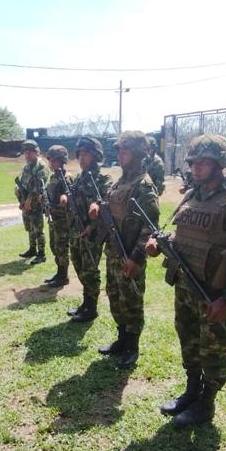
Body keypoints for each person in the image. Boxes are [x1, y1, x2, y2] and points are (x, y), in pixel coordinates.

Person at [146, 134, 226, 426]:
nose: (196, 168)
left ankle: (206, 404)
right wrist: (160, 243)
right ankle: (191, 391)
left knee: (213, 351)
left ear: (220, 164)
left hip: (213, 294)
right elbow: (181, 235)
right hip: (185, 286)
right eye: (193, 162)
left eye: (204, 162)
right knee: (188, 341)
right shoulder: (191, 196)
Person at [95, 131, 159, 369]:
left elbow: (149, 226)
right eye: (119, 151)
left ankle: (132, 346)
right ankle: (121, 339)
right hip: (113, 252)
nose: (121, 155)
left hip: (130, 254)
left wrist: (136, 257)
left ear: (138, 154)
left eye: (126, 151)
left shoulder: (144, 184)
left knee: (131, 300)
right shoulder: (119, 182)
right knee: (114, 296)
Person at [65, 137, 112, 323]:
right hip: (75, 231)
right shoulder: (79, 178)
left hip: (92, 233)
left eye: (87, 154)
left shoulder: (103, 179)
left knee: (90, 269)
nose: (82, 158)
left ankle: (91, 307)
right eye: (80, 154)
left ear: (96, 156)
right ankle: (85, 302)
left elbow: (107, 204)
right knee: (79, 266)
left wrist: (92, 224)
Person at [43, 145, 73, 288]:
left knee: (61, 247)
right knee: (54, 246)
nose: (51, 163)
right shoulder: (54, 176)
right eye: (50, 160)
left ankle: (63, 275)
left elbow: (69, 196)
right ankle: (59, 272)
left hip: (62, 219)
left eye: (54, 160)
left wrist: (64, 198)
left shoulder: (67, 177)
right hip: (53, 218)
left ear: (62, 160)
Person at [15, 139, 49, 264]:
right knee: (29, 227)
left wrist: (30, 199)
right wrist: (19, 192)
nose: (27, 155)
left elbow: (40, 186)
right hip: (26, 201)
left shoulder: (41, 166)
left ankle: (41, 253)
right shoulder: (27, 167)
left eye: (30, 152)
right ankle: (32, 249)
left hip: (37, 202)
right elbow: (23, 182)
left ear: (37, 152)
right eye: (26, 152)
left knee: (38, 229)